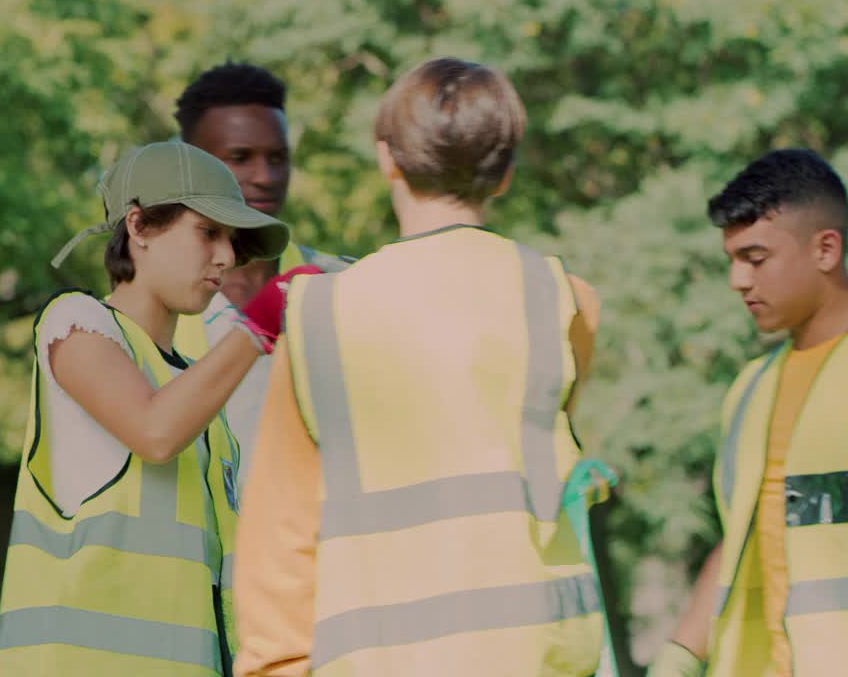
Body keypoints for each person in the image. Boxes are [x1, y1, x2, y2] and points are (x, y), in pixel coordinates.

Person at [233, 57, 611, 676]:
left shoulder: (320, 315)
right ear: (506, 173)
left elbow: (282, 529)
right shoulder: (563, 301)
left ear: (388, 159)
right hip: (535, 658)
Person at [0, 141, 308, 676]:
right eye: (208, 232)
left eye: (231, 240)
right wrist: (258, 325)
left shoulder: (194, 388)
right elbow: (154, 431)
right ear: (137, 227)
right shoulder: (76, 323)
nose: (227, 258)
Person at [647, 149, 848, 677]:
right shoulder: (750, 388)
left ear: (825, 249)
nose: (737, 281)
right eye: (730, 260)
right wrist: (679, 655)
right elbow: (743, 537)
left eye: (755, 258)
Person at [172, 62, 353, 495]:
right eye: (239, 158)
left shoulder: (342, 287)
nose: (265, 177)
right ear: (189, 165)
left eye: (278, 158)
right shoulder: (142, 312)